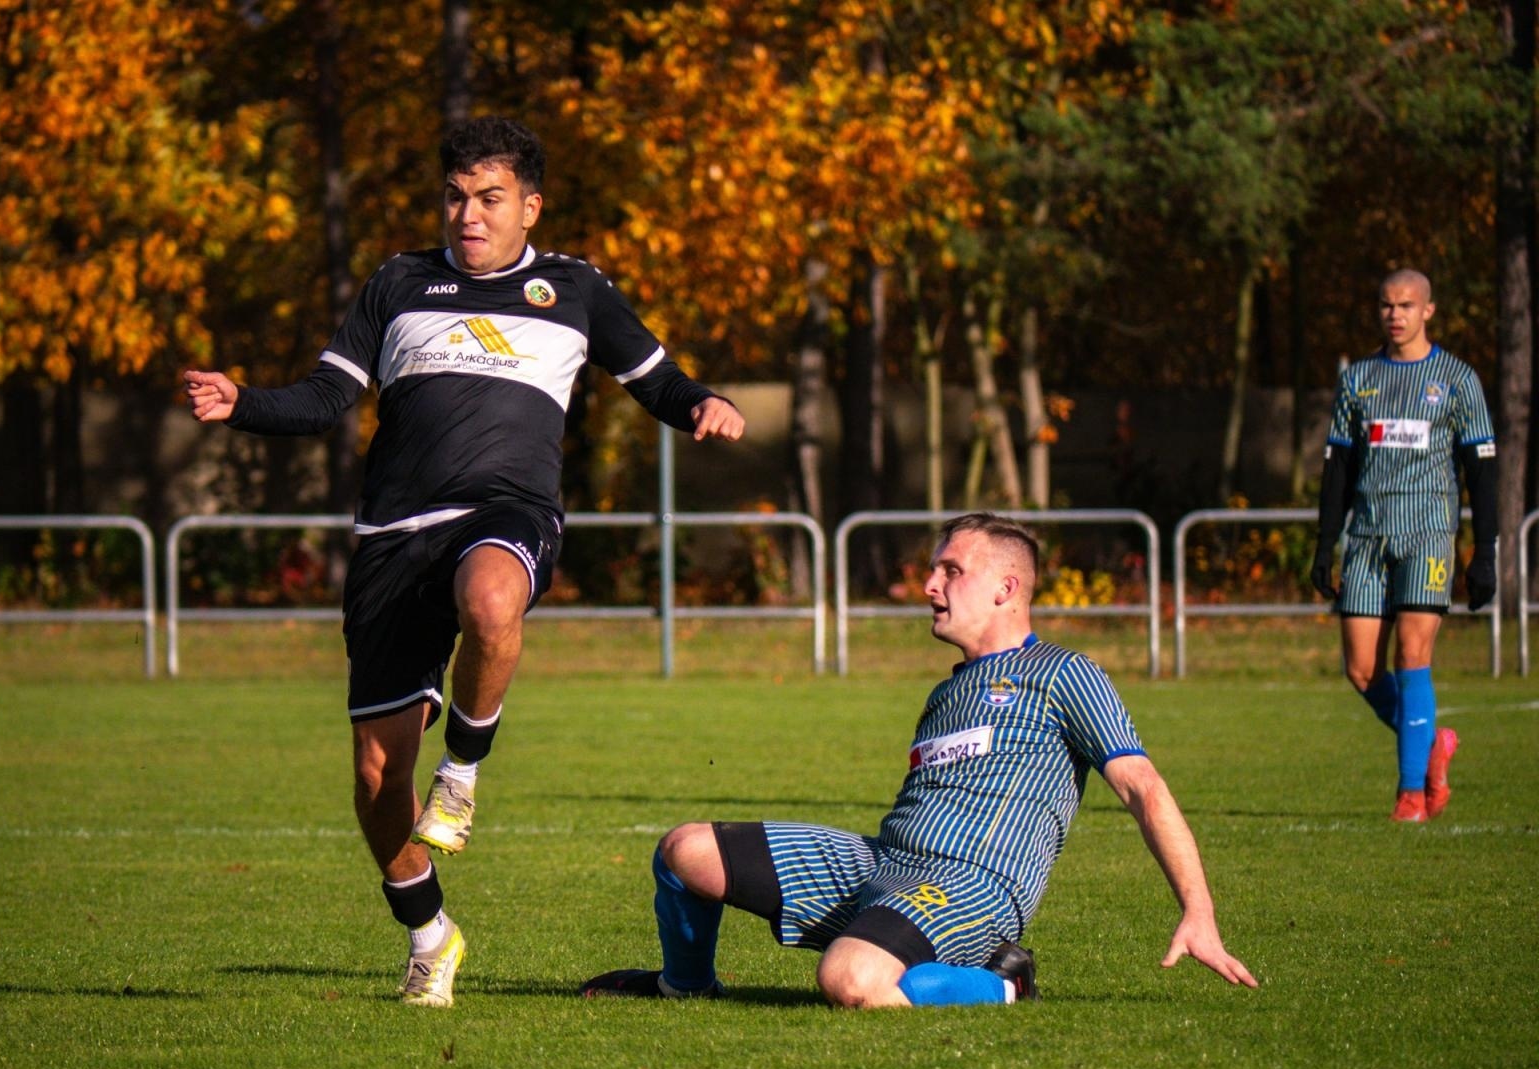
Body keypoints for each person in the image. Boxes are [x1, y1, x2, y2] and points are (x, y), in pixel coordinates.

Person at [184, 116, 746, 1008]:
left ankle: (464, 775)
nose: (468, 215)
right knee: (375, 781)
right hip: (391, 540)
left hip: (505, 511)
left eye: (489, 199)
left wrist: (704, 404)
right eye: (455, 197)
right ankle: (430, 935)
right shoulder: (399, 282)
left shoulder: (575, 289)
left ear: (530, 204)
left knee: (493, 600)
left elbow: (656, 380)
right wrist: (242, 399)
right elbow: (328, 395)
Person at [581, 514, 1258, 1008]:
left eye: (951, 571)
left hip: (971, 886)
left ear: (1006, 588)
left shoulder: (1064, 673)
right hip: (882, 866)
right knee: (686, 850)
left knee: (852, 982)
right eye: (935, 569)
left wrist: (1197, 911)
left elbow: (1142, 785)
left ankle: (1004, 982)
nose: (930, 583)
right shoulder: (949, 690)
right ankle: (686, 988)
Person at [1309, 269, 1497, 824]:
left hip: (1429, 534)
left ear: (1428, 311)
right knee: (1363, 670)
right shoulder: (1359, 379)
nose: (1396, 314)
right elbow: (1337, 467)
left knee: (1412, 656)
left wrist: (1483, 550)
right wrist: (1325, 546)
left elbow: (1482, 472)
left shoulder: (1458, 381)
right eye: (1387, 305)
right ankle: (1433, 742)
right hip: (1366, 536)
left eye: (1407, 305)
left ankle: (1412, 794)